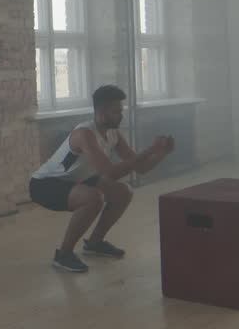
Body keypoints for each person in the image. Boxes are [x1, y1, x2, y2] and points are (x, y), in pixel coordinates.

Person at [29, 84, 175, 272]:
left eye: (121, 111)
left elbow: (141, 168)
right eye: (116, 111)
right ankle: (63, 254)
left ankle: (95, 243)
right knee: (94, 197)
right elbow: (110, 172)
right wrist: (150, 150)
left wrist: (161, 153)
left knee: (123, 192)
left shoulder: (113, 134)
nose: (121, 116)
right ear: (101, 111)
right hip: (46, 185)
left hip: (77, 180)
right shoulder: (85, 134)